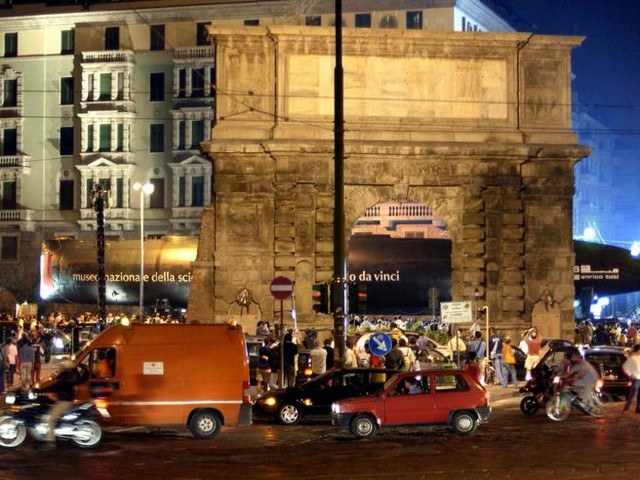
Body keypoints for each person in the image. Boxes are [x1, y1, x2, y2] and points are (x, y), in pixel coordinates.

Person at [42, 360, 79, 445]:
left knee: (50, 420)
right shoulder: (70, 376)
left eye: (61, 366)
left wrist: (42, 389)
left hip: (64, 401)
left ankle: (50, 441)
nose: (60, 368)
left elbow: (56, 387)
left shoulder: (66, 378)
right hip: (65, 400)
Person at [622, 343, 640, 413]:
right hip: (635, 379)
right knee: (632, 394)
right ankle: (626, 408)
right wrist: (630, 374)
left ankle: (638, 408)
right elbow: (624, 366)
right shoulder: (632, 358)